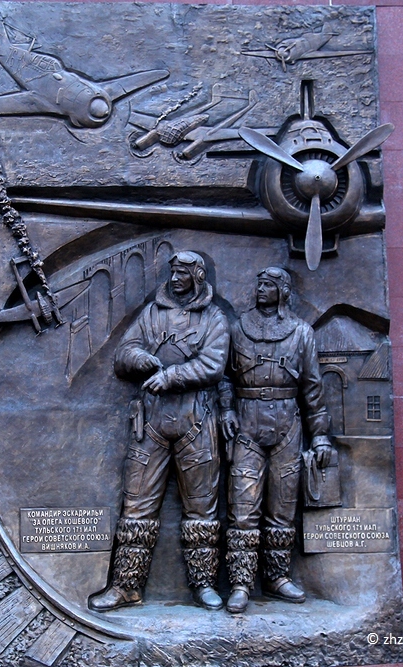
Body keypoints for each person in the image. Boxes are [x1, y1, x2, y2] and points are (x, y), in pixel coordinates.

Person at [89, 251, 229, 612]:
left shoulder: (213, 318)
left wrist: (171, 375)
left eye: (183, 272)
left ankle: (204, 585)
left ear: (197, 275)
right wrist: (140, 359)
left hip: (195, 421)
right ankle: (126, 586)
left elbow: (213, 365)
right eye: (173, 271)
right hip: (150, 422)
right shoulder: (151, 313)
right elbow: (124, 354)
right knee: (136, 505)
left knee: (202, 508)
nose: (175, 277)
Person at [219, 267, 334, 614]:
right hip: (247, 423)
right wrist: (227, 409)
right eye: (258, 285)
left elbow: (313, 389)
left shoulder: (301, 333)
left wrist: (321, 436)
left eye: (268, 285)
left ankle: (277, 576)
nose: (261, 290)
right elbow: (223, 376)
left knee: (283, 507)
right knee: (242, 506)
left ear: (283, 290)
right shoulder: (238, 328)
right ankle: (240, 583)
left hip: (287, 424)